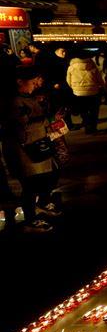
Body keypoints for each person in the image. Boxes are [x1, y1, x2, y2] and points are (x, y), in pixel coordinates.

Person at [3, 67, 61, 232]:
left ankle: (41, 204)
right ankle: (30, 219)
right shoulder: (14, 102)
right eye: (33, 80)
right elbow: (22, 126)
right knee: (29, 185)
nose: (36, 84)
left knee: (46, 177)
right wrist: (47, 119)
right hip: (23, 149)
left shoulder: (26, 98)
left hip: (35, 146)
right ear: (19, 81)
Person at [66, 50, 105, 134]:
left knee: (83, 111)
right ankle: (92, 128)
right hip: (93, 92)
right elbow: (99, 79)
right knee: (94, 111)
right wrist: (102, 86)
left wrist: (74, 88)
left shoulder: (71, 67)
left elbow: (68, 81)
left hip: (78, 93)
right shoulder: (92, 65)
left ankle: (86, 125)